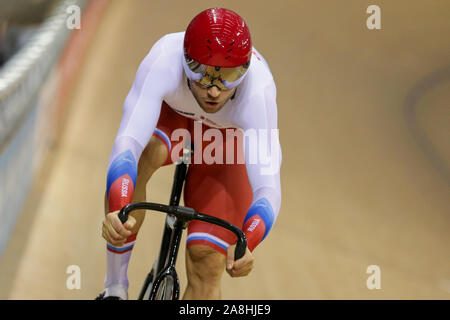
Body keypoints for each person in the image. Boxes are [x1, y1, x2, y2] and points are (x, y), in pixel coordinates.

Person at [96, 7, 282, 300]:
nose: (213, 91)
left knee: (206, 260)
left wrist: (249, 239)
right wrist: (118, 207)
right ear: (184, 61)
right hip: (175, 115)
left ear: (244, 71)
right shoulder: (164, 58)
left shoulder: (258, 92)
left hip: (225, 137)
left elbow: (268, 188)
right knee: (146, 155)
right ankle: (115, 287)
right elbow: (127, 145)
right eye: (202, 74)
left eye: (229, 77)